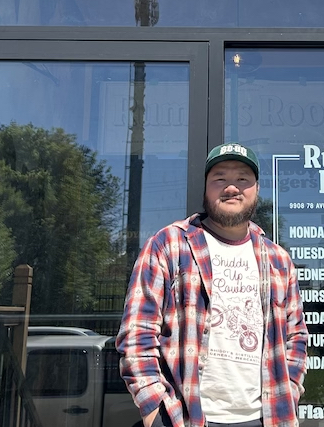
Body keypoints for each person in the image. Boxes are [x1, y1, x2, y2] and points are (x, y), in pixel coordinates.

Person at [117, 143, 308, 427]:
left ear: (256, 189)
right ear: (206, 188)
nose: (232, 187)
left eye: (243, 178)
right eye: (220, 178)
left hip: (266, 418)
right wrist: (154, 410)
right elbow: (137, 333)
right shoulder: (168, 245)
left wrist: (290, 390)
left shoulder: (278, 260)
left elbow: (297, 337)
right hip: (185, 418)